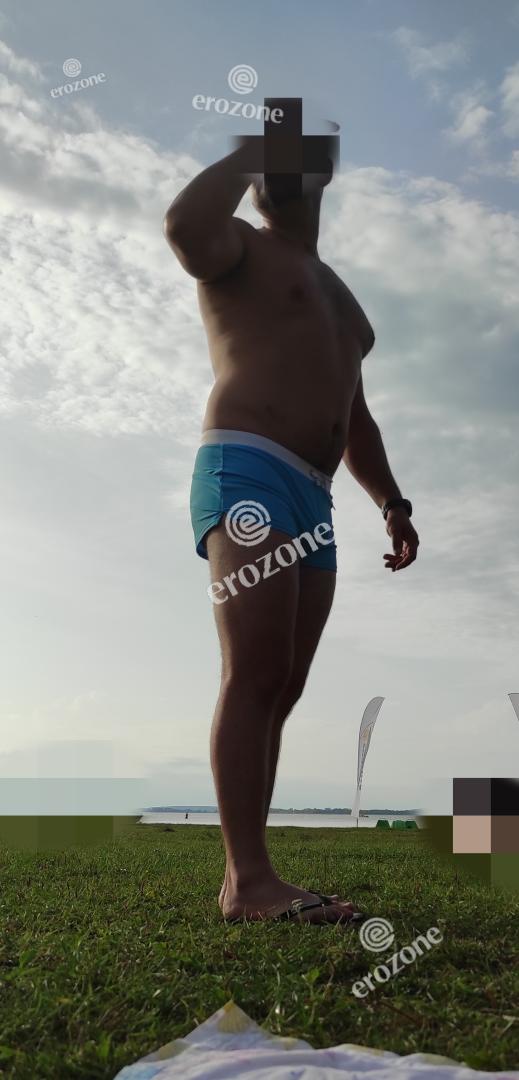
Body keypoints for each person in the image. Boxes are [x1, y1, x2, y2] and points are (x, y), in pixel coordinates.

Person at [163, 143, 419, 925]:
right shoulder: (240, 245)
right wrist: (254, 149)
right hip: (247, 462)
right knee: (255, 669)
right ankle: (247, 882)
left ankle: (253, 876)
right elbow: (184, 226)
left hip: (316, 493)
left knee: (284, 682)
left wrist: (391, 501)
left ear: (322, 174)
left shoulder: (344, 303)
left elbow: (355, 417)